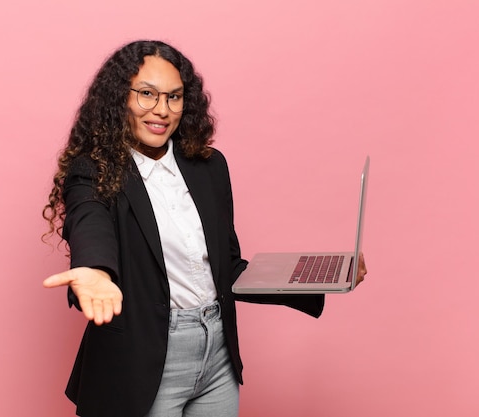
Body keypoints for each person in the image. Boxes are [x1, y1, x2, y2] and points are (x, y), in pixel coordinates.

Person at [42, 40, 367, 417]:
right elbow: (88, 217)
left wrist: (320, 279)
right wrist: (95, 270)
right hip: (143, 360)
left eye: (174, 97)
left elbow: (224, 268)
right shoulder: (95, 169)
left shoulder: (209, 167)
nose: (162, 110)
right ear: (119, 99)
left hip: (217, 355)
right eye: (147, 94)